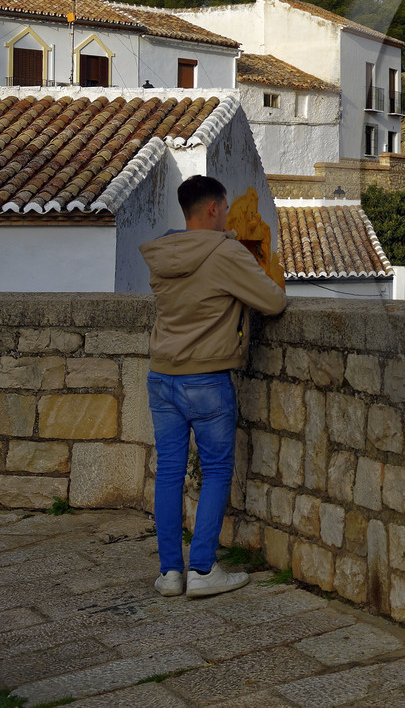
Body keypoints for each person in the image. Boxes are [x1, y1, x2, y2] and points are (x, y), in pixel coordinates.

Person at [140, 174, 287, 597]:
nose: (226, 215)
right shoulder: (224, 252)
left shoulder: (163, 252)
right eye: (224, 208)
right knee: (218, 470)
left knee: (168, 473)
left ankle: (170, 573)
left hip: (162, 374)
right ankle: (202, 569)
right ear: (212, 209)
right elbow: (274, 301)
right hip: (206, 376)